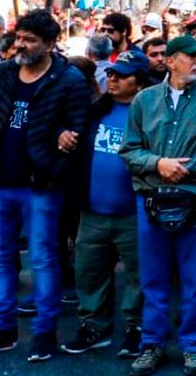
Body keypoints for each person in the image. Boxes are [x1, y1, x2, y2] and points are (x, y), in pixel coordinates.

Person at [120, 34, 196, 376]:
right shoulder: (144, 100)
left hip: (195, 201)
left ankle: (193, 347)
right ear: (170, 62)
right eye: (190, 57)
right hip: (151, 199)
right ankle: (152, 344)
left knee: (194, 278)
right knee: (153, 278)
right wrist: (159, 164)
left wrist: (186, 168)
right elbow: (129, 150)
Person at [0, 9, 91, 360]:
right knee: (0, 258)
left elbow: (76, 134)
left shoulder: (69, 81)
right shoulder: (3, 73)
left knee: (43, 259)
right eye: (20, 37)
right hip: (1, 183)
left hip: (41, 187)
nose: (21, 44)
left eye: (31, 40)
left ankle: (44, 332)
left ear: (50, 44)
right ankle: (3, 328)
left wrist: (57, 154)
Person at [61, 51, 151, 359]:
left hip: (135, 214)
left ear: (139, 82)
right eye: (111, 73)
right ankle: (94, 327)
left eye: (121, 75)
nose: (112, 79)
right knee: (89, 272)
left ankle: (136, 328)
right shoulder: (94, 111)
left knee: (139, 276)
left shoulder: (150, 114)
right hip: (93, 212)